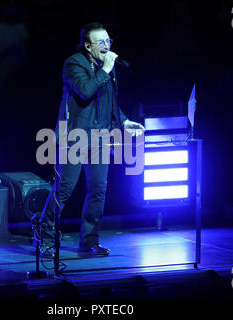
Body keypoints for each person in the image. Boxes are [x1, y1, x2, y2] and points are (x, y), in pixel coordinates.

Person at [40, 22, 144, 257]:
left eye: (109, 41)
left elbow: (110, 100)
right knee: (64, 189)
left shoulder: (108, 68)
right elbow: (85, 91)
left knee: (98, 189)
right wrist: (105, 70)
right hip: (75, 137)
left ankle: (89, 242)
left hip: (100, 136)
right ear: (88, 46)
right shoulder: (73, 63)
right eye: (101, 42)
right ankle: (44, 236)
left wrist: (124, 121)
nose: (107, 46)